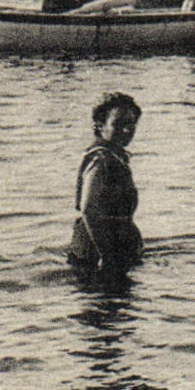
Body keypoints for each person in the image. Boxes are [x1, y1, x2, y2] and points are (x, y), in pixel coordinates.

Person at [68, 93, 144, 277]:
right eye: (118, 124)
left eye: (131, 125)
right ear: (100, 127)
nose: (127, 131)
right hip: (98, 254)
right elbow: (88, 209)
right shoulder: (100, 159)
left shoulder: (114, 157)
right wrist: (107, 255)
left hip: (113, 249)